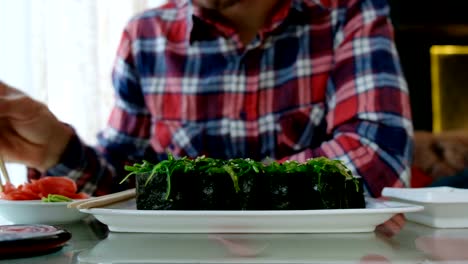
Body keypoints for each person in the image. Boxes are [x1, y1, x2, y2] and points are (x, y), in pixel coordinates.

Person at [0, 0, 411, 234]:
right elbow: (123, 186)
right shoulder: (146, 35)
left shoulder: (346, 14)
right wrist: (54, 146)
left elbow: (376, 153)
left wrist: (211, 196)